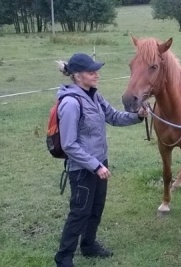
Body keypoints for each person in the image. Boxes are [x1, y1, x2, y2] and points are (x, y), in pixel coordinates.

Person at [53, 53, 148, 267]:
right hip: (83, 169)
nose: (97, 74)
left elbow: (113, 116)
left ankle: (89, 245)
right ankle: (64, 257)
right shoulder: (70, 103)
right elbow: (69, 144)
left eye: (96, 70)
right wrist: (95, 166)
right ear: (77, 76)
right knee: (79, 212)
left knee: (96, 208)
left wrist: (138, 116)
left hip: (100, 164)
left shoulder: (94, 96)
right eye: (91, 72)